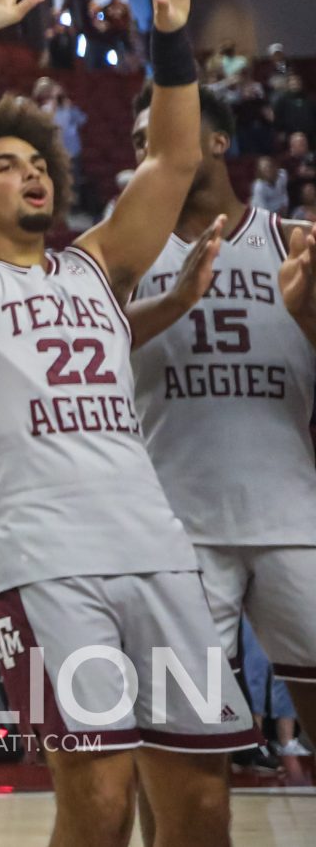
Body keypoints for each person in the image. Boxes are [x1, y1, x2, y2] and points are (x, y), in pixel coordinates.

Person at [0, 0, 255, 844]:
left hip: (156, 549)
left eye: (40, 162)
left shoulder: (96, 268)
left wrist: (169, 34)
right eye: (5, 165)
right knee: (95, 805)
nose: (34, 173)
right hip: (46, 562)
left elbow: (173, 161)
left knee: (203, 803)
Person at [123, 86, 316, 745]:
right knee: (180, 758)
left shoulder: (294, 244)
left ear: (218, 140)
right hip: (176, 528)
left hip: (293, 516)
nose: (147, 147)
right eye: (138, 140)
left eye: (161, 129)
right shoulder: (122, 258)